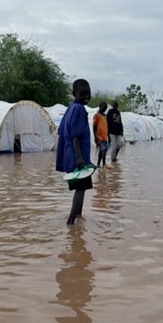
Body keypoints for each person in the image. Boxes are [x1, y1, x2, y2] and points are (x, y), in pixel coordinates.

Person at [56, 79, 92, 225]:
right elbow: (75, 136)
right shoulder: (78, 109)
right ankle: (71, 222)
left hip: (73, 154)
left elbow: (61, 130)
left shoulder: (71, 108)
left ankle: (78, 217)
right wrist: (79, 157)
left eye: (88, 94)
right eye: (82, 94)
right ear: (74, 94)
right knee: (81, 188)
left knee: (81, 187)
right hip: (78, 156)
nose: (86, 97)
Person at [92, 101, 109, 168]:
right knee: (102, 150)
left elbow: (106, 127)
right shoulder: (97, 115)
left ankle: (103, 164)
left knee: (104, 150)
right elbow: (94, 126)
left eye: (105, 108)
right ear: (100, 107)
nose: (104, 109)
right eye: (103, 107)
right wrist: (95, 137)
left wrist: (108, 135)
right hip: (99, 136)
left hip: (105, 136)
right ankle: (99, 164)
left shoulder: (104, 116)